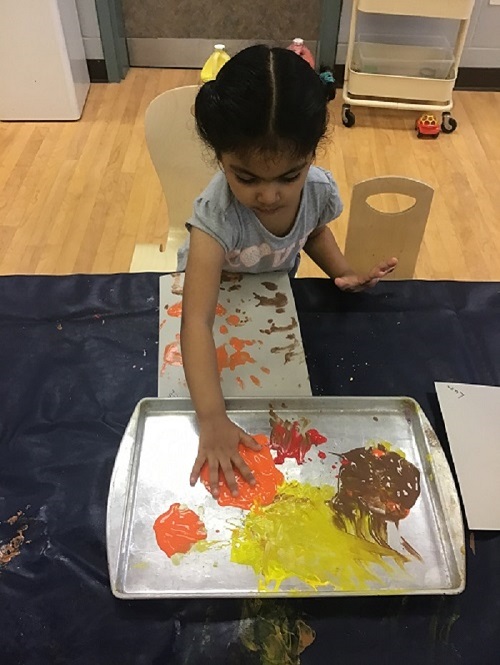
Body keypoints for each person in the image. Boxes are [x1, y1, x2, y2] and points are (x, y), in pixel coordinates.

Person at [177, 45, 397, 499]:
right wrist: (213, 418)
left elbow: (313, 233)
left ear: (312, 154)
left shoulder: (316, 191)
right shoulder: (215, 217)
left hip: (274, 298)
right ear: (220, 157)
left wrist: (342, 273)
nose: (270, 196)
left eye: (289, 176)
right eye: (248, 178)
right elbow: (196, 321)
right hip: (223, 299)